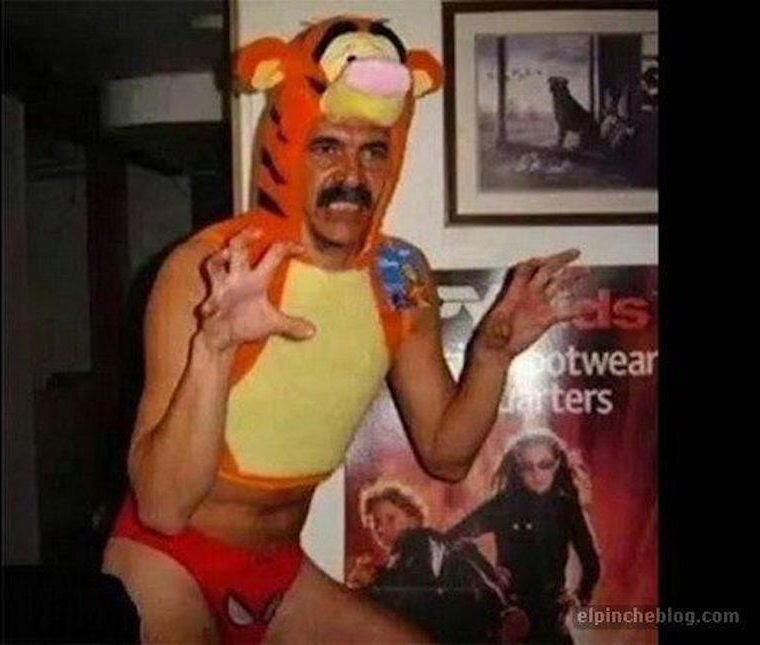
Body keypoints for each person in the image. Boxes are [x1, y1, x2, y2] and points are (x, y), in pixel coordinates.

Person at [101, 16, 588, 644]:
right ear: (289, 146)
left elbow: (446, 455)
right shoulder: (211, 266)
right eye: (326, 146)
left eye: (374, 151)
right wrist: (215, 346)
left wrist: (493, 349)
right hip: (170, 566)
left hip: (281, 572)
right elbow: (163, 509)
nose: (352, 174)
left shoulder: (399, 272)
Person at [446, 430, 601, 644]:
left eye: (544, 464)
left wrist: (579, 597)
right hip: (509, 616)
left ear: (557, 464)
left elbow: (591, 562)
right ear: (518, 469)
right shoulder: (503, 505)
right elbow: (450, 541)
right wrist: (486, 572)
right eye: (527, 467)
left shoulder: (566, 508)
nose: (537, 474)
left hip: (551, 618)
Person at [348, 481, 528, 643]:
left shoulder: (418, 540)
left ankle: (500, 615)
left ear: (412, 518)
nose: (381, 528)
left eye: (390, 518)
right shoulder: (406, 554)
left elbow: (416, 583)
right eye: (375, 523)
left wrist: (373, 581)